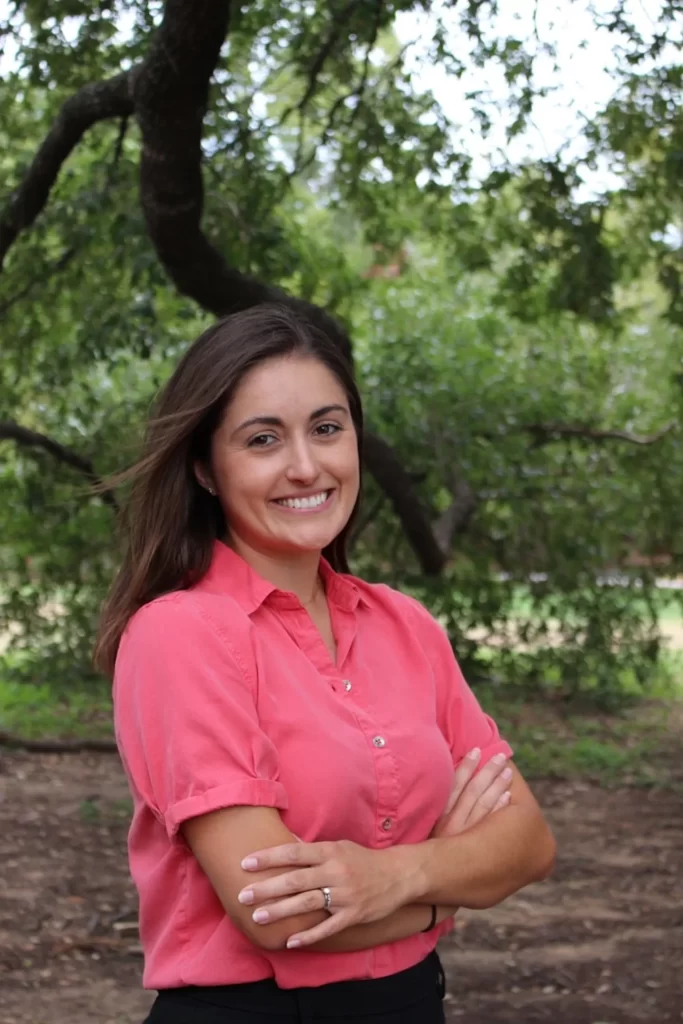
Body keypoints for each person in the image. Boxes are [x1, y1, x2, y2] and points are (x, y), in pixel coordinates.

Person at [95, 303, 556, 1023]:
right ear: (205, 469)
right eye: (262, 439)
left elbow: (526, 844)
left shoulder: (405, 626)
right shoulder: (177, 635)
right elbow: (277, 916)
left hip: (410, 1004)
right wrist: (449, 884)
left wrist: (393, 876)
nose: (305, 465)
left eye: (326, 428)